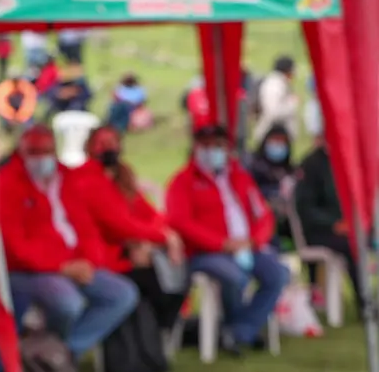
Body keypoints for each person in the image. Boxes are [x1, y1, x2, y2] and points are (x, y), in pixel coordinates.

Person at [0, 126, 139, 359]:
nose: (41, 158)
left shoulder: (67, 179)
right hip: (32, 270)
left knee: (123, 294)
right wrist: (62, 266)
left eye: (46, 151)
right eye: (34, 152)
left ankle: (62, 354)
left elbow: (87, 227)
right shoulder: (8, 185)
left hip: (76, 263)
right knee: (67, 302)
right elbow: (15, 247)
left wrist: (89, 261)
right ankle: (52, 355)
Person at [166, 125, 290, 353]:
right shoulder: (183, 181)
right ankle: (236, 331)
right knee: (234, 277)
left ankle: (239, 331)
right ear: (196, 148)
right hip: (206, 252)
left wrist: (254, 240)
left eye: (218, 146)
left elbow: (263, 215)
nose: (212, 150)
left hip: (247, 247)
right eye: (206, 146)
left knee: (278, 274)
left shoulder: (240, 178)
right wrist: (221, 244)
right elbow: (180, 222)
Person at [74, 126, 187, 331]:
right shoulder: (86, 181)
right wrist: (159, 238)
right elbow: (117, 225)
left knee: (174, 275)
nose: (109, 149)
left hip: (129, 250)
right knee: (159, 281)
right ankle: (152, 335)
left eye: (113, 143)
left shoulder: (122, 177)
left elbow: (149, 214)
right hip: (105, 258)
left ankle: (161, 333)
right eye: (103, 144)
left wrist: (152, 240)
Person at [295, 136, 363, 309]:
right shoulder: (312, 165)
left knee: (360, 240)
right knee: (352, 246)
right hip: (319, 231)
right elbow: (305, 207)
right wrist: (333, 224)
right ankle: (364, 301)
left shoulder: (345, 160)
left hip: (347, 227)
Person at [250, 123, 297, 246]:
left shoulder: (290, 170)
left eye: (282, 142)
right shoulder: (256, 167)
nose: (278, 145)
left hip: (289, 218)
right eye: (275, 140)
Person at [253, 55, 299, 142]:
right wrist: (292, 103)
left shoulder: (278, 83)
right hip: (272, 135)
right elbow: (274, 112)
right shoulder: (274, 85)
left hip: (277, 135)